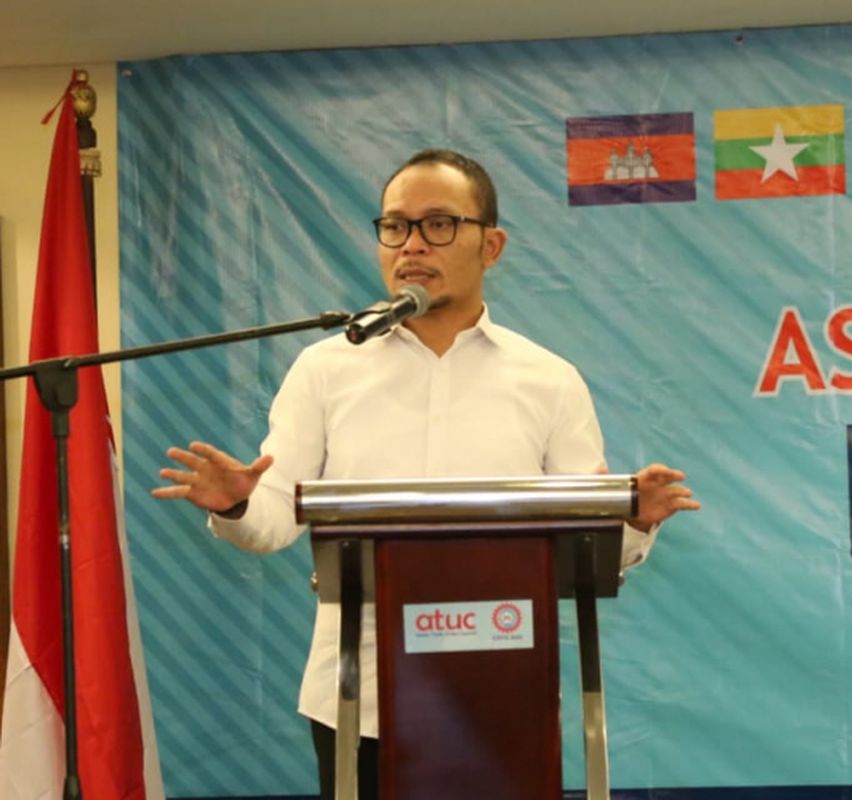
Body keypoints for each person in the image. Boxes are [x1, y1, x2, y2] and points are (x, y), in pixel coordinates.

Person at [152, 148, 700, 799]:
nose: (411, 245)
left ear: (490, 245)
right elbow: (273, 522)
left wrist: (630, 519)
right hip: (359, 698)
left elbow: (586, 544)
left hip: (503, 695)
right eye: (395, 226)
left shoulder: (549, 381)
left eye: (439, 224)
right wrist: (239, 505)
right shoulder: (326, 370)